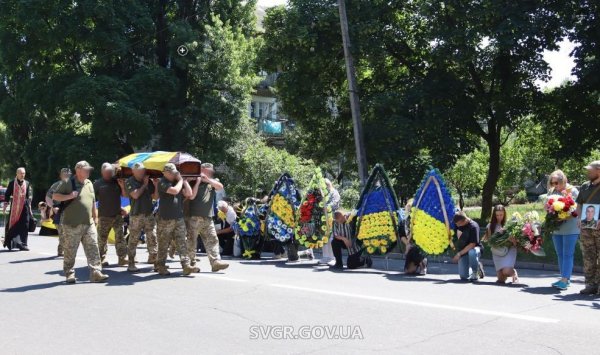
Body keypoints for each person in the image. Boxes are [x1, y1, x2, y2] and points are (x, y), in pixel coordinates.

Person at [52, 161, 108, 284]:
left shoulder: (89, 183)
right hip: (71, 224)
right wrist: (69, 196)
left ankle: (95, 272)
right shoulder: (68, 183)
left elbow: (93, 201)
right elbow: (55, 196)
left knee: (93, 247)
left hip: (89, 223)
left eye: (89, 169)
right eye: (86, 169)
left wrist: (95, 216)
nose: (88, 171)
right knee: (70, 251)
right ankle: (69, 273)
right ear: (78, 170)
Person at [183, 163, 229, 272]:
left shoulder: (211, 181)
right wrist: (195, 181)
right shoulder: (193, 180)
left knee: (212, 239)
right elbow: (189, 195)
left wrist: (208, 179)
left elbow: (220, 187)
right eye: (208, 171)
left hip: (208, 217)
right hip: (193, 216)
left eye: (211, 172)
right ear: (201, 170)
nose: (210, 173)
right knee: (191, 241)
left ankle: (215, 262)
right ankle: (190, 264)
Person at [155, 163, 199, 276]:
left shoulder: (177, 183)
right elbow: (174, 191)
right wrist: (180, 180)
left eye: (175, 173)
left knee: (182, 242)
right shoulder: (162, 182)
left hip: (178, 217)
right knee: (164, 243)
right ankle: (161, 266)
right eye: (172, 173)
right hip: (165, 218)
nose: (175, 175)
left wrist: (184, 181)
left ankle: (186, 266)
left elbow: (189, 194)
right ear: (165, 173)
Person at [543, 170, 580, 290]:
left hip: (570, 227)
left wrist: (564, 215)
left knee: (567, 254)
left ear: (563, 180)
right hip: (556, 227)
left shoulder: (572, 190)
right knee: (560, 254)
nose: (554, 185)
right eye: (552, 183)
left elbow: (577, 209)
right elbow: (547, 207)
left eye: (556, 182)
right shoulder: (552, 191)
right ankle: (564, 278)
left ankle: (565, 280)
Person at [124, 162, 159, 273]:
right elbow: (135, 195)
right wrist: (144, 185)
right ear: (133, 171)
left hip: (148, 213)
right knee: (134, 239)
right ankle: (131, 263)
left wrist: (156, 185)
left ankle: (154, 260)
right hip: (136, 214)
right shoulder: (130, 181)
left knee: (152, 236)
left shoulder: (147, 181)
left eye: (143, 170)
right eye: (139, 171)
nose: (142, 172)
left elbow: (155, 196)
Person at [94, 163, 128, 267]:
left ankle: (122, 258)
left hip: (117, 215)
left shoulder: (117, 182)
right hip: (104, 216)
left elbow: (125, 195)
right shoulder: (97, 184)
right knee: (102, 239)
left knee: (120, 237)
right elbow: (92, 199)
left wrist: (122, 186)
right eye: (106, 173)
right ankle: (101, 258)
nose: (109, 175)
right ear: (102, 173)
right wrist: (93, 214)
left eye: (110, 173)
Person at [576, 161, 600, 295]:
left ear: (598, 171)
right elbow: (579, 204)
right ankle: (590, 285)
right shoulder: (585, 187)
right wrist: (579, 218)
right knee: (588, 256)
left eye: (590, 170)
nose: (587, 172)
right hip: (587, 226)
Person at [483, 204, 518, 284]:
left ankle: (513, 272)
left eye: (501, 215)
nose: (499, 217)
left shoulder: (510, 224)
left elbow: (516, 244)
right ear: (494, 215)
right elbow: (490, 242)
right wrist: (498, 235)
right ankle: (506, 271)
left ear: (504, 214)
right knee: (501, 280)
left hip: (509, 250)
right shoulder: (490, 226)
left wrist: (512, 240)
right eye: (497, 215)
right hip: (497, 251)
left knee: (507, 272)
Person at [3, 167, 33, 251]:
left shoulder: (27, 183)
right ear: (17, 174)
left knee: (25, 225)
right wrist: (5, 204)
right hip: (15, 208)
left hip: (24, 207)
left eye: (23, 173)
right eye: (20, 173)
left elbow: (28, 196)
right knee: (12, 225)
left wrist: (29, 207)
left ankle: (23, 244)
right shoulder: (12, 183)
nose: (22, 175)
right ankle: (10, 243)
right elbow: (7, 194)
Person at [46, 168, 72, 256]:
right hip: (59, 211)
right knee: (62, 233)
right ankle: (62, 250)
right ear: (60, 175)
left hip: (71, 212)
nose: (67, 176)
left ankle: (66, 250)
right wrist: (53, 207)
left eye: (68, 174)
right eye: (65, 174)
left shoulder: (74, 185)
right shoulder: (56, 185)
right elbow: (48, 197)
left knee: (70, 234)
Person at [452, 211, 484, 281]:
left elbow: (472, 245)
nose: (457, 226)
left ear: (465, 220)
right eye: (456, 224)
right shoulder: (458, 225)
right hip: (463, 251)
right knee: (463, 276)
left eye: (459, 224)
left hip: (475, 249)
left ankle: (475, 272)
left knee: (472, 252)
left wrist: (459, 254)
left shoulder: (473, 226)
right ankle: (477, 267)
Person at [400, 200, 427, 275]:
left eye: (411, 209)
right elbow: (401, 235)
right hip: (410, 245)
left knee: (415, 249)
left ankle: (422, 264)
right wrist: (407, 244)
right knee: (408, 271)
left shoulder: (421, 220)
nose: (409, 210)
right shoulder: (404, 221)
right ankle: (417, 263)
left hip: (419, 246)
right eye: (408, 209)